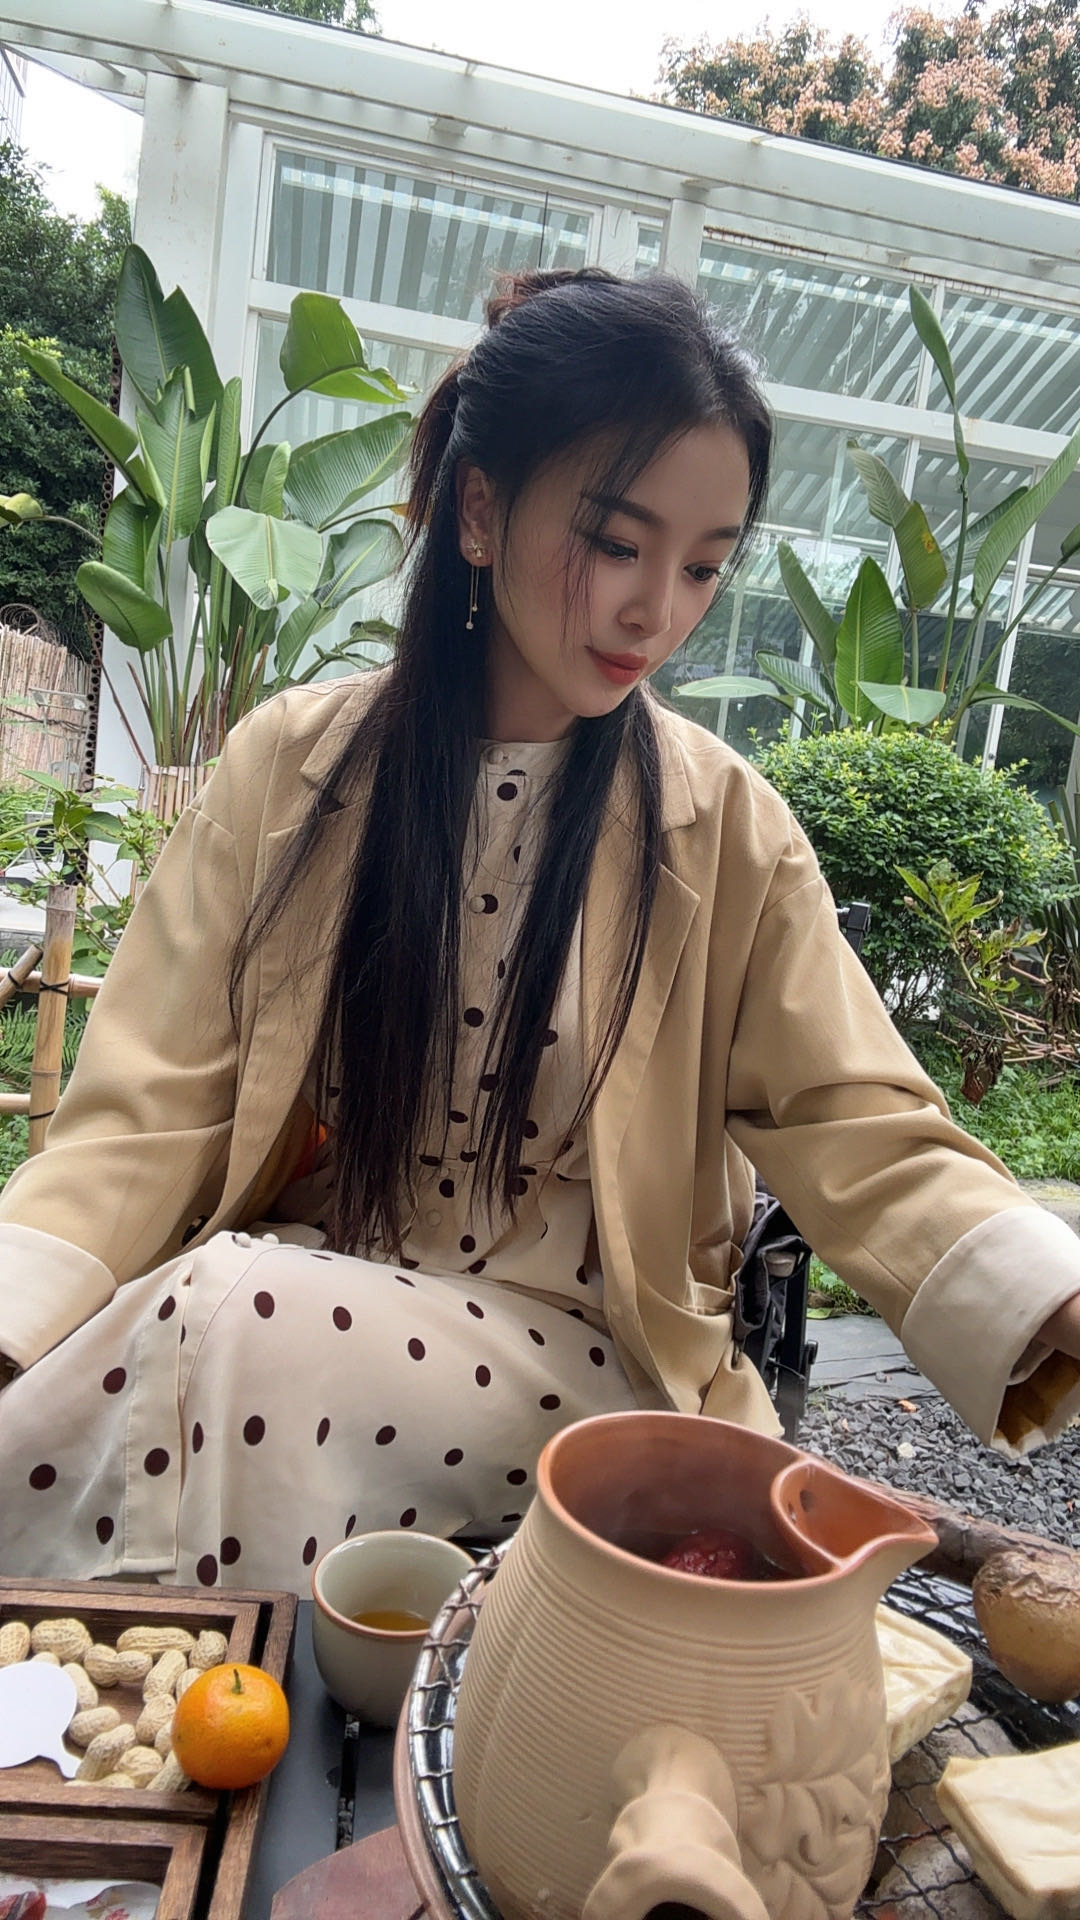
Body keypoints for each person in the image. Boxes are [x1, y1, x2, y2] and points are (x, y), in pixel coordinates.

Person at [1, 269, 1078, 1596]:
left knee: (236, 1318)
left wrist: (1048, 1294)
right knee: (192, 1326)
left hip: (587, 1361)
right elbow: (145, 1108)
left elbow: (862, 1122)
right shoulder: (292, 768)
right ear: (479, 510)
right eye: (618, 544)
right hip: (306, 1296)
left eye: (703, 566)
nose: (657, 610)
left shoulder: (719, 826)